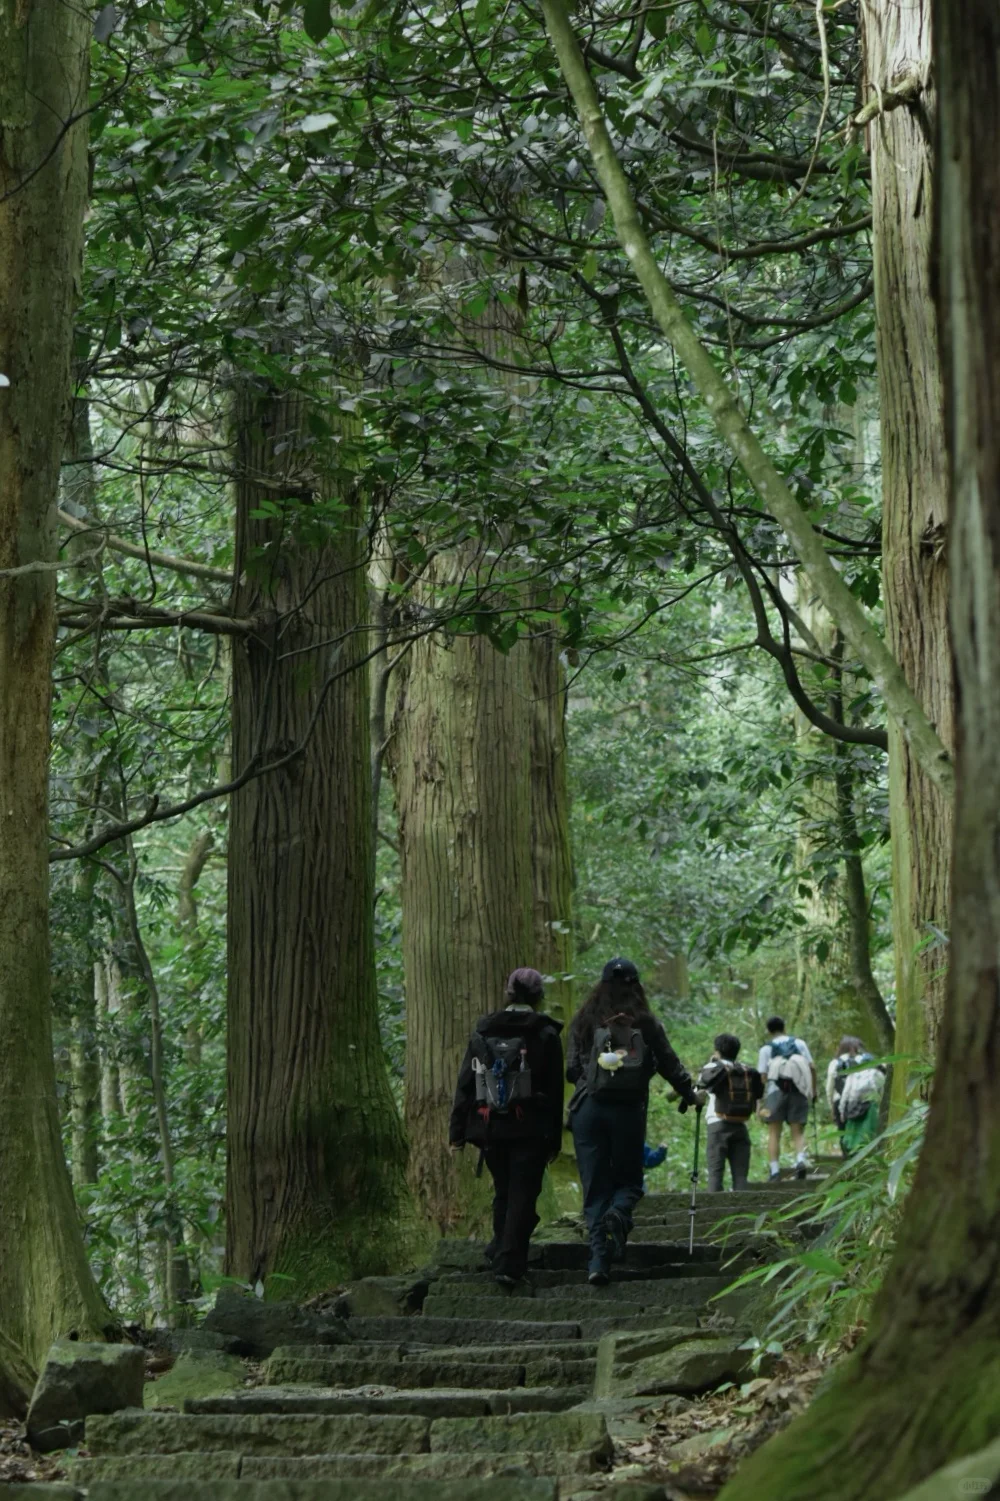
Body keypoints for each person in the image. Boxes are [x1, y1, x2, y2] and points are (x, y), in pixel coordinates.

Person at [567, 957, 699, 1286]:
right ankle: (619, 1214)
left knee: (594, 1188)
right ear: (636, 985)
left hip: (588, 1109)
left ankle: (598, 1261)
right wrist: (689, 1094)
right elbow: (670, 1064)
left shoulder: (585, 1019)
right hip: (627, 1110)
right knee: (630, 1182)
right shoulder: (646, 1022)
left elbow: (571, 1070)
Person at [449, 967, 564, 1287]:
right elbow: (555, 1092)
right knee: (523, 1195)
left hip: (489, 1126)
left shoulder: (484, 1031)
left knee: (504, 1190)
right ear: (540, 996)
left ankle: (500, 1248)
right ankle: (509, 1264)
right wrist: (554, 1139)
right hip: (530, 1127)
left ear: (509, 994)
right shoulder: (546, 1033)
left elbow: (466, 1083)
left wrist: (457, 1132)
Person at [698, 1032, 764, 1191]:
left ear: (717, 1051)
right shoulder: (746, 1071)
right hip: (740, 1126)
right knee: (741, 1176)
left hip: (717, 1125)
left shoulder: (712, 1068)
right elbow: (758, 1094)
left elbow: (698, 1090)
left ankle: (712, 1212)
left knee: (715, 1173)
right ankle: (741, 1212)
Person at [757, 1016, 816, 1180]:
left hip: (774, 1093)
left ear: (769, 1031)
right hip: (798, 1091)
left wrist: (760, 1101)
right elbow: (812, 1067)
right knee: (798, 1132)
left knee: (774, 1132)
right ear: (784, 1027)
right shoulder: (799, 1043)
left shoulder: (766, 1049)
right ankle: (800, 1161)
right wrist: (813, 1090)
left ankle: (775, 1171)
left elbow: (762, 1076)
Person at [826, 1035, 885, 1158]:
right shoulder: (864, 1061)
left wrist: (831, 1106)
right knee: (862, 1132)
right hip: (863, 1101)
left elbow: (829, 1088)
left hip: (841, 1102)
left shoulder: (835, 1063)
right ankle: (862, 1158)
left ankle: (846, 1159)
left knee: (844, 1133)